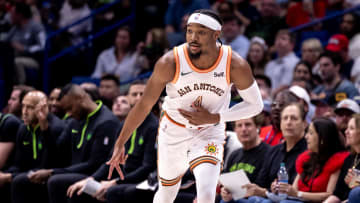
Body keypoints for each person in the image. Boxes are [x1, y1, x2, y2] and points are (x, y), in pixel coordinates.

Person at [107, 9, 264, 203]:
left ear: (216, 35)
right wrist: (121, 141)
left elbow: (255, 105)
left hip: (209, 131)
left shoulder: (235, 64)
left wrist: (215, 118)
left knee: (206, 194)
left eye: (201, 32)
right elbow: (144, 104)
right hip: (174, 130)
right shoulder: (170, 61)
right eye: (189, 31)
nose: (193, 37)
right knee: (167, 193)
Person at [3, 91, 66, 203]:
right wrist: (6, 174)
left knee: (18, 181)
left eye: (30, 107)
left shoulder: (56, 128)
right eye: (23, 106)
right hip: (28, 174)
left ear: (44, 108)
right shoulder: (23, 129)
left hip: (49, 175)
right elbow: (19, 163)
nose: (25, 112)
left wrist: (10, 177)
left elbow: (48, 165)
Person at [269, 117, 348, 203]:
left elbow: (330, 195)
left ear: (322, 138)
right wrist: (282, 189)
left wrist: (298, 194)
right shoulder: (305, 158)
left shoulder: (338, 160)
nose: (306, 136)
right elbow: (294, 190)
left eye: (311, 133)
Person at [243, 103, 307, 202]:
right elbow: (260, 182)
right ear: (280, 124)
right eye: (285, 118)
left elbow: (296, 188)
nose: (288, 122)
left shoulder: (308, 152)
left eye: (294, 118)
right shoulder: (273, 151)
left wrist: (265, 192)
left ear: (304, 124)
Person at [220, 116, 271, 203]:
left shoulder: (269, 153)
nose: (243, 129)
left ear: (257, 127)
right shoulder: (234, 154)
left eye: (248, 125)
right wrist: (224, 191)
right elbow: (225, 181)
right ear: (235, 130)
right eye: (239, 126)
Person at [324, 114, 360, 203]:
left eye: (351, 128)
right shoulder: (349, 159)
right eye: (347, 128)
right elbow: (337, 194)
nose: (346, 132)